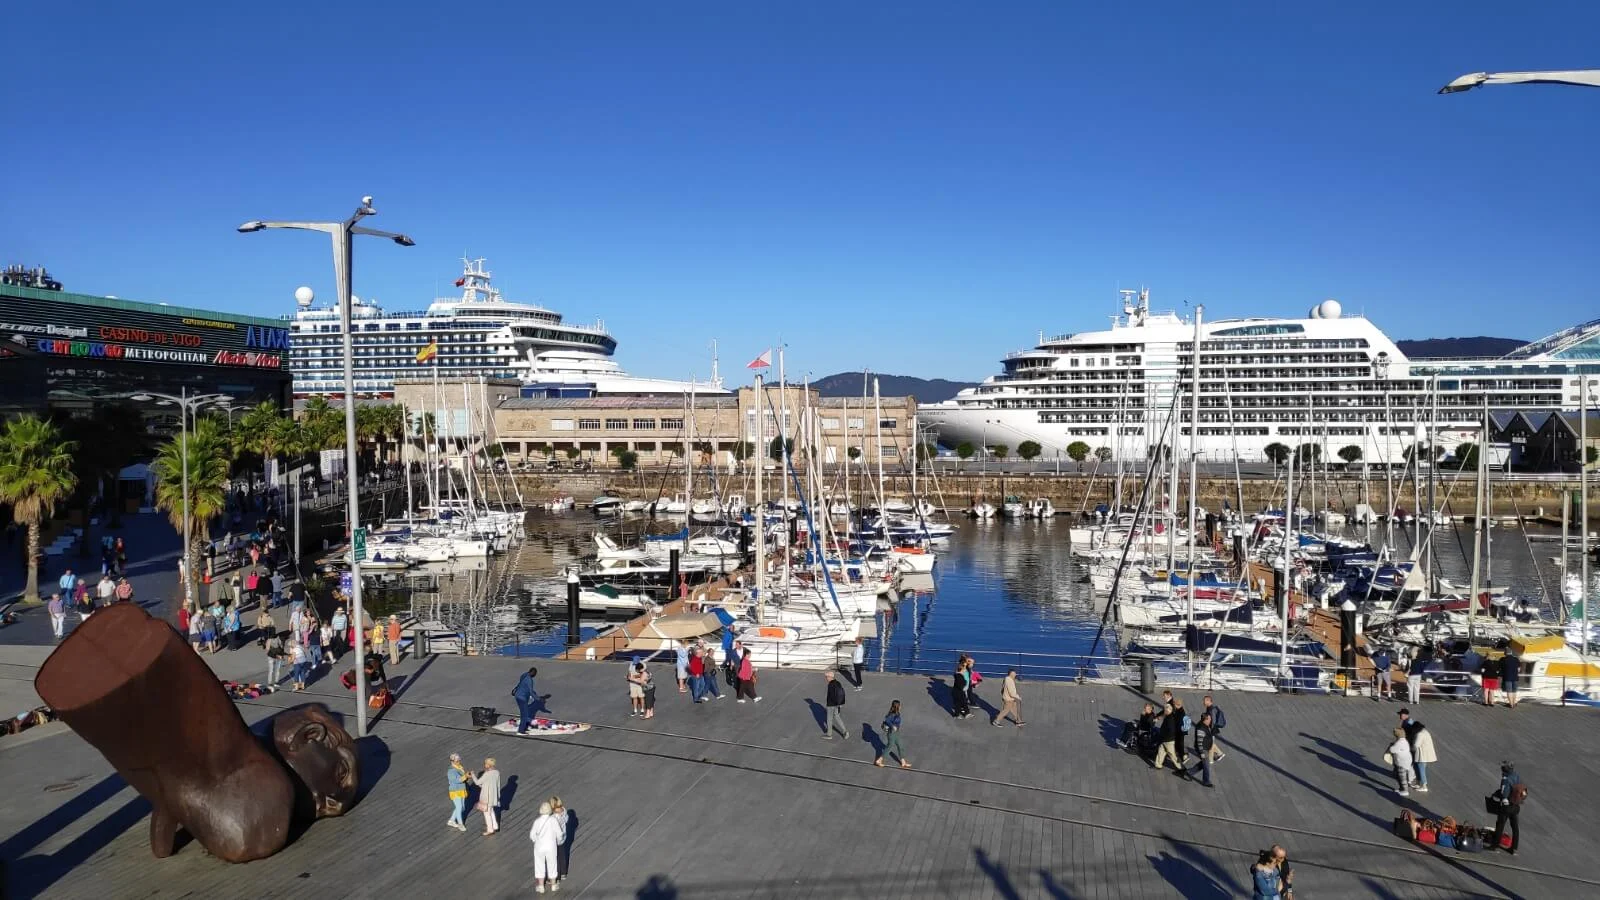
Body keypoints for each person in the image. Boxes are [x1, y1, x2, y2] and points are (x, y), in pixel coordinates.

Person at [529, 800, 566, 893]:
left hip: (539, 847)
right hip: (551, 846)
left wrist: (536, 841)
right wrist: (558, 841)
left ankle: (541, 886)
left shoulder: (537, 821)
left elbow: (532, 835)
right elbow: (559, 834)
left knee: (539, 865)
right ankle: (553, 885)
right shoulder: (553, 820)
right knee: (552, 864)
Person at [1491, 761, 1525, 854]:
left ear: (1505, 769)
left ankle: (1495, 845)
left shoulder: (1506, 779)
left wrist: (1497, 794)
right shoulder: (1517, 776)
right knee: (1515, 827)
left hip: (1507, 806)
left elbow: (1504, 792)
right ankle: (1514, 848)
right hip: (1516, 805)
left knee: (1500, 824)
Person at [1152, 701, 1186, 776]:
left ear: (1168, 711)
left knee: (1172, 755)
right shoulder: (1169, 716)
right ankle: (1158, 765)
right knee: (1161, 751)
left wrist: (1164, 737)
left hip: (1168, 740)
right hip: (1165, 740)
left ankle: (1182, 768)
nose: (1164, 711)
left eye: (1165, 710)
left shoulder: (1170, 720)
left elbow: (1171, 731)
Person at [876, 699, 910, 768]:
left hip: (896, 733)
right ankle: (879, 760)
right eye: (900, 705)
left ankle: (903, 762)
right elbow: (887, 720)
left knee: (900, 745)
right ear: (897, 706)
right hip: (891, 733)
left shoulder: (897, 713)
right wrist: (892, 726)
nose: (901, 706)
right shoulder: (892, 714)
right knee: (890, 746)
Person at [474, 758, 502, 836]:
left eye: (485, 763)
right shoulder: (497, 772)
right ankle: (495, 826)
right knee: (491, 811)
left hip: (486, 797)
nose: (484, 764)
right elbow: (498, 785)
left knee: (487, 813)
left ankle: (490, 829)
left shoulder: (487, 774)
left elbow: (477, 782)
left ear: (489, 765)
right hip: (493, 797)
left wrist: (472, 775)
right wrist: (498, 797)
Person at [1191, 712, 1216, 787]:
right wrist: (1202, 753)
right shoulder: (1201, 728)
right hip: (1203, 749)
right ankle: (1206, 781)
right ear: (1205, 720)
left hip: (1206, 748)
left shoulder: (1205, 725)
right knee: (1206, 765)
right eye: (1209, 719)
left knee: (1204, 763)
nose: (1210, 720)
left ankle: (1189, 772)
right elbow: (1199, 742)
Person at [445, 753, 470, 832]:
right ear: (452, 761)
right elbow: (456, 780)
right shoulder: (451, 771)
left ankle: (451, 820)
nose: (459, 762)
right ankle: (460, 824)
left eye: (459, 760)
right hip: (455, 791)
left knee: (462, 807)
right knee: (459, 807)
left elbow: (462, 778)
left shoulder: (459, 767)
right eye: (457, 761)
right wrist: (465, 776)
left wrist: (466, 777)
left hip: (461, 789)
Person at [1386, 726, 1413, 797]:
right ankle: (1401, 788)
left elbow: (1392, 750)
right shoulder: (1402, 740)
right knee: (1397, 775)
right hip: (1402, 761)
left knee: (1402, 777)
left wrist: (1391, 746)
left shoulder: (1400, 742)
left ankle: (1405, 791)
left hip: (1402, 762)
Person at [550, 796, 571, 882]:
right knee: (562, 855)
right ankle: (563, 873)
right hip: (562, 838)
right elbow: (567, 820)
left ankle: (557, 877)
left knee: (555, 858)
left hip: (555, 840)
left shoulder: (554, 818)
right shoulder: (564, 812)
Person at [513, 666, 539, 734]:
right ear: (533, 673)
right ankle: (521, 730)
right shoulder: (530, 680)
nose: (535, 675)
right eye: (535, 674)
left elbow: (521, 683)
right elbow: (531, 692)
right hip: (522, 698)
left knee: (524, 713)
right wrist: (537, 699)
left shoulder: (524, 674)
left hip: (518, 695)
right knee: (524, 715)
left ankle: (524, 727)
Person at [822, 671, 847, 739]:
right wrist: (839, 704)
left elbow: (832, 696)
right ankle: (845, 731)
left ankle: (829, 735)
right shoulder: (838, 683)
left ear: (830, 677)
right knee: (837, 717)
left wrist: (831, 704)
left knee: (829, 719)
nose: (826, 678)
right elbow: (841, 693)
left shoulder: (831, 685)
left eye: (826, 677)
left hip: (831, 705)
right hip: (837, 704)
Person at [1200, 694, 1226, 762]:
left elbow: (1213, 721)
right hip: (1211, 729)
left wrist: (1209, 729)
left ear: (1208, 701)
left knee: (1210, 745)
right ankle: (1220, 754)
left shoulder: (1211, 709)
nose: (1203, 702)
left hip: (1211, 730)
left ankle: (1210, 761)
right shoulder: (1209, 708)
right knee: (1210, 744)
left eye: (1204, 701)